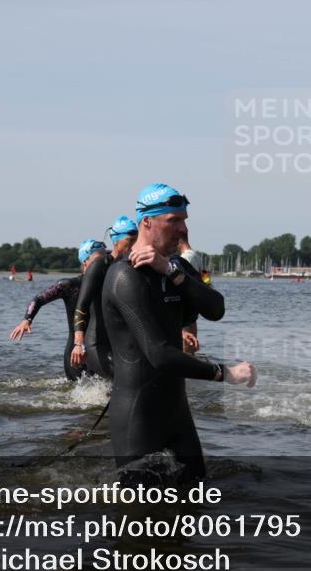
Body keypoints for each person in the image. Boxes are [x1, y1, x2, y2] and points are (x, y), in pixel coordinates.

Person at [103, 183, 256, 482]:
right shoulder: (125, 275)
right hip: (139, 415)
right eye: (174, 221)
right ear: (146, 222)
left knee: (196, 497)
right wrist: (225, 373)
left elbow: (216, 309)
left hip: (177, 412)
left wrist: (172, 272)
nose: (182, 230)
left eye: (184, 220)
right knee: (140, 517)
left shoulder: (172, 267)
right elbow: (158, 353)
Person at [9, 239, 106, 381]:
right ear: (85, 261)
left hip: (100, 350)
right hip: (75, 353)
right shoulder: (69, 285)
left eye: (106, 259)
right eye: (99, 259)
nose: (103, 264)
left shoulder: (110, 284)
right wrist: (27, 319)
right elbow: (39, 299)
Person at [70, 217, 138, 378]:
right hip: (97, 344)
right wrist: (78, 344)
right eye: (130, 240)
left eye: (137, 240)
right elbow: (81, 307)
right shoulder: (99, 266)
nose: (134, 245)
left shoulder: (134, 265)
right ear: (116, 241)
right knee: (128, 379)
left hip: (122, 342)